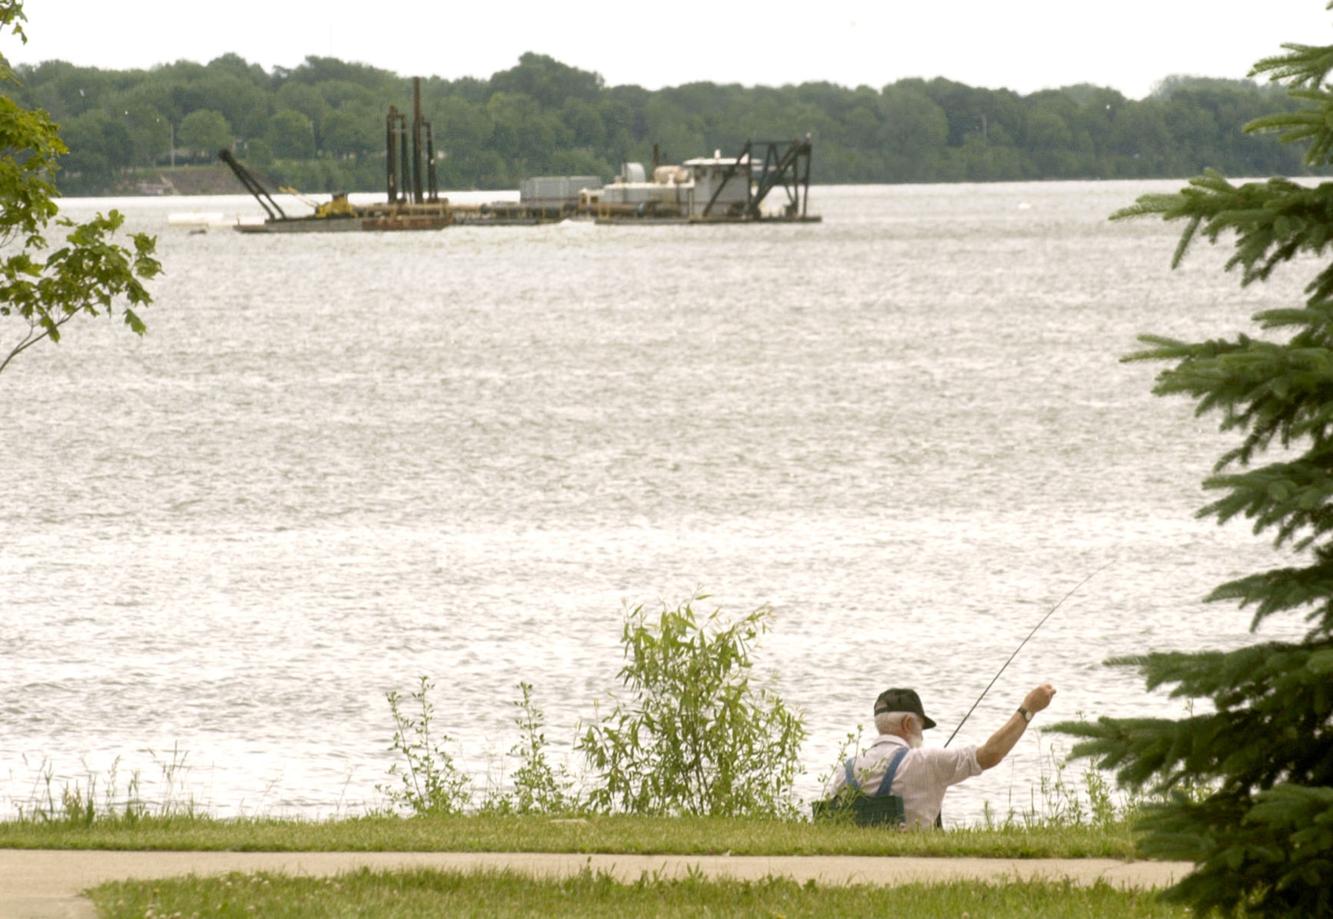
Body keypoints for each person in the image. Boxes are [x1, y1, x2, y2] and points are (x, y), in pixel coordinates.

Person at [824, 684, 1056, 829]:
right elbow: (990, 754)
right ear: (908, 723)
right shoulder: (926, 762)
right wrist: (1028, 709)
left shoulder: (845, 770)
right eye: (921, 727)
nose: (922, 736)